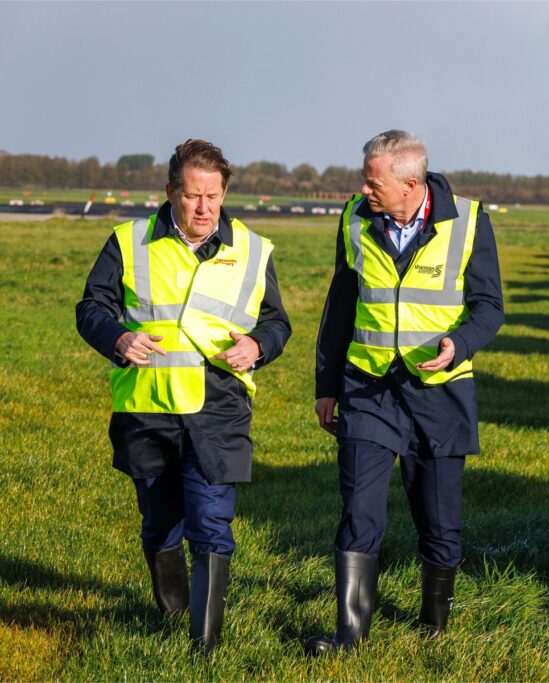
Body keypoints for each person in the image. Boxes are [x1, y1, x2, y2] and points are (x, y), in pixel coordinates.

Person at [76, 139, 291, 655]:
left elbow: (276, 322)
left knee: (211, 520)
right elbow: (91, 308)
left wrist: (258, 345)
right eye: (193, 196)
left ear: (224, 193)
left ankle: (205, 644)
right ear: (171, 191)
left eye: (213, 197)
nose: (203, 209)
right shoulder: (128, 242)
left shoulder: (253, 249)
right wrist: (119, 338)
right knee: (160, 521)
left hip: (218, 406)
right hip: (147, 407)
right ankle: (172, 613)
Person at [306, 130, 503, 654]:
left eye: (374, 182)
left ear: (411, 183)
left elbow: (490, 307)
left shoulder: (468, 220)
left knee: (439, 519)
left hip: (439, 396)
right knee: (358, 511)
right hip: (368, 390)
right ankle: (349, 636)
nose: (363, 189)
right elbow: (340, 307)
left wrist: (457, 345)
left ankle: (434, 627)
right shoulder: (354, 219)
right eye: (365, 179)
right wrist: (327, 385)